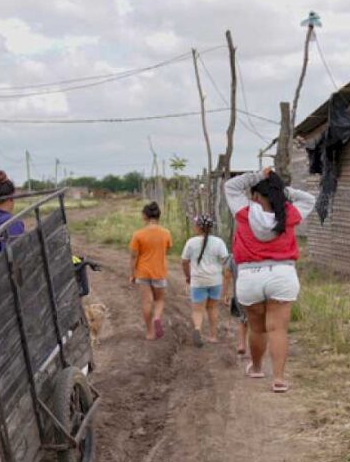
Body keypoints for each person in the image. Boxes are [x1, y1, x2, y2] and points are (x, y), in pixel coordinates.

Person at [225, 167, 316, 393]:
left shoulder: (244, 213)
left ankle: (256, 368)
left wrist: (259, 175)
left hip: (249, 277)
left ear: (255, 196)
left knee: (257, 329)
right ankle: (278, 379)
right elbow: (309, 198)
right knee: (278, 330)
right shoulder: (289, 214)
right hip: (282, 274)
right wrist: (284, 191)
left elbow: (230, 186)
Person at [180, 214, 229, 347]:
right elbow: (226, 261)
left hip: (198, 281)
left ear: (198, 227)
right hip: (215, 280)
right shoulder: (219, 242)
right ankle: (213, 336)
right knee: (212, 308)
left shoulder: (191, 242)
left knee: (197, 310)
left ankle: (197, 329)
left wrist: (188, 276)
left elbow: (184, 261)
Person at [129, 201, 172, 340]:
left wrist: (132, 274)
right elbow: (168, 249)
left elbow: (133, 256)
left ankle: (149, 332)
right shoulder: (166, 233)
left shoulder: (138, 234)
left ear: (145, 216)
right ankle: (157, 318)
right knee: (159, 300)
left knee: (146, 302)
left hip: (143, 272)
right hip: (159, 271)